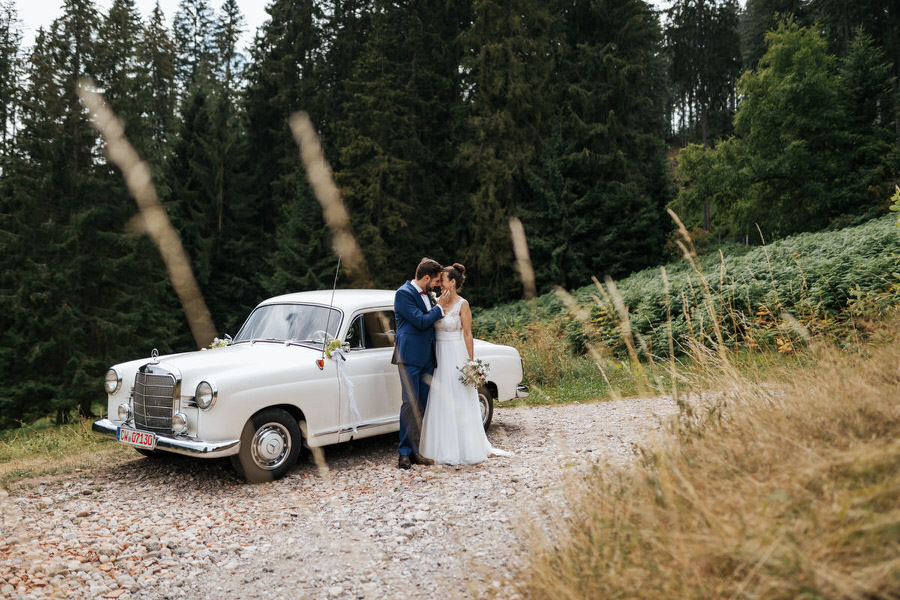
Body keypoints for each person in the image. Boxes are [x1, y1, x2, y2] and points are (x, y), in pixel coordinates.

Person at [419, 263, 510, 465]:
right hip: (438, 355)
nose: (439, 283)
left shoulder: (463, 304)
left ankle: (465, 447)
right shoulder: (436, 301)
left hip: (456, 354)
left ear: (452, 282)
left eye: (442, 279)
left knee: (459, 396)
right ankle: (438, 447)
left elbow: (468, 334)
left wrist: (471, 363)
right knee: (439, 397)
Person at [392, 258, 453, 469]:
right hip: (409, 357)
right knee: (410, 404)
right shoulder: (403, 294)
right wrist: (440, 307)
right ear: (426, 278)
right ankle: (404, 454)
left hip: (428, 357)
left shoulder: (427, 294)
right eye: (435, 281)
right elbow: (420, 321)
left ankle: (416, 450)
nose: (437, 284)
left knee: (422, 405)